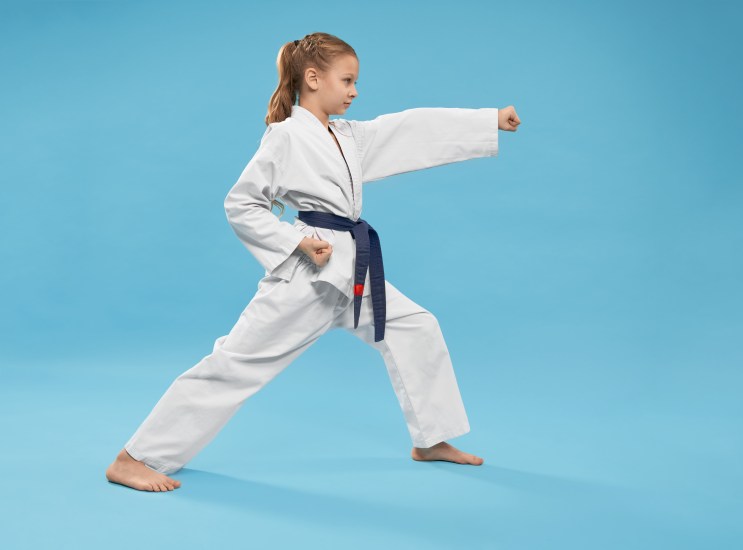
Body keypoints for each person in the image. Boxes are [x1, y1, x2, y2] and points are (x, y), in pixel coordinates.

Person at [106, 32, 521, 492]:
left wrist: (488, 121)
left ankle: (431, 439)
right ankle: (135, 458)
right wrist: (296, 242)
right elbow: (241, 203)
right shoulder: (286, 137)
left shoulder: (347, 136)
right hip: (310, 275)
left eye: (355, 82)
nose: (354, 91)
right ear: (313, 78)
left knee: (416, 327)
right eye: (347, 80)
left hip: (352, 268)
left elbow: (411, 128)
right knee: (237, 363)